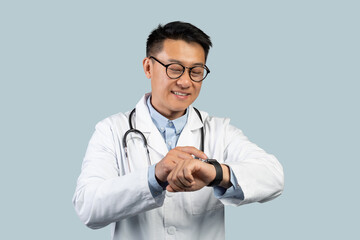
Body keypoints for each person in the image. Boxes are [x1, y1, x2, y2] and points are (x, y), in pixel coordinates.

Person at [72, 21, 284, 240]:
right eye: (174, 69)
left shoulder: (220, 130)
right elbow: (87, 207)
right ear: (148, 67)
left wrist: (215, 174)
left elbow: (274, 177)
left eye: (196, 71)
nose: (185, 81)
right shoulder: (111, 130)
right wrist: (154, 176)